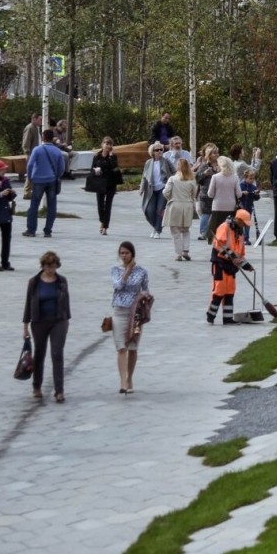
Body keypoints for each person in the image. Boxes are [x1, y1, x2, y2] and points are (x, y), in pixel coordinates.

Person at [21, 250, 71, 403]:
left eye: (54, 267)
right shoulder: (34, 282)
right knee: (40, 353)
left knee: (57, 354)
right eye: (48, 267)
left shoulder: (62, 281)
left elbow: (66, 302)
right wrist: (25, 326)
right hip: (39, 322)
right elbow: (28, 304)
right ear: (42, 266)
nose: (51, 270)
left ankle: (59, 390)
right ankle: (37, 386)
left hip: (58, 321)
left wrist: (67, 320)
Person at [109, 242, 149, 394]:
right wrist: (128, 270)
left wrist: (145, 296)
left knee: (132, 347)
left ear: (132, 254)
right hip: (119, 310)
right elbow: (118, 286)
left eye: (126, 253)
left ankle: (129, 377)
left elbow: (145, 289)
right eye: (121, 253)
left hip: (135, 312)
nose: (124, 256)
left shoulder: (142, 271)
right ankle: (122, 381)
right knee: (121, 347)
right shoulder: (115, 270)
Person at [208, 208, 254, 325]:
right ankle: (211, 315)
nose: (245, 226)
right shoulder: (224, 227)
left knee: (230, 291)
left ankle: (227, 319)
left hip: (231, 266)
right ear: (238, 220)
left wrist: (246, 265)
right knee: (219, 289)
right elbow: (219, 246)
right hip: (220, 263)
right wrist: (232, 258)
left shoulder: (240, 233)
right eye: (244, 223)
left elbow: (240, 253)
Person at [24, 127, 66, 238]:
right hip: (52, 181)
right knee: (52, 206)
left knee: (34, 205)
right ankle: (48, 230)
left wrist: (30, 177)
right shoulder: (57, 151)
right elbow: (62, 167)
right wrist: (56, 175)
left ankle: (31, 230)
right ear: (52, 138)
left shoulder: (37, 150)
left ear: (43, 137)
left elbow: (30, 164)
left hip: (38, 181)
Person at [165, 157, 198, 261]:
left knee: (175, 231)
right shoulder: (192, 180)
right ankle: (185, 250)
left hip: (175, 205)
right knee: (186, 230)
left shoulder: (172, 179)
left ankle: (178, 253)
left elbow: (166, 192)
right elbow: (194, 194)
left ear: (177, 167)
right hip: (187, 206)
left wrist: (170, 198)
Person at [88, 136, 123, 235]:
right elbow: (92, 169)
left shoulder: (113, 156)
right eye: (106, 143)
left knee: (108, 205)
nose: (107, 146)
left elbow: (115, 168)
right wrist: (95, 171)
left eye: (109, 144)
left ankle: (105, 227)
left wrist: (111, 156)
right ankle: (102, 221)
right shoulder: (97, 156)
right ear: (102, 145)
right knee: (100, 206)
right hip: (99, 183)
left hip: (111, 183)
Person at [206, 155, 241, 245]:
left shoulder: (215, 177)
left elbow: (210, 194)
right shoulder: (235, 177)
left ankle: (216, 243)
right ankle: (229, 243)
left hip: (217, 206)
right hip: (230, 206)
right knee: (229, 228)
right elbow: (239, 194)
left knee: (216, 228)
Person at [137, 142, 170, 238]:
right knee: (148, 210)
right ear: (152, 152)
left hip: (163, 188)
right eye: (157, 150)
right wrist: (141, 188)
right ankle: (156, 227)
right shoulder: (148, 163)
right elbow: (144, 176)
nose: (160, 151)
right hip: (151, 189)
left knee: (160, 209)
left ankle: (157, 230)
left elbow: (174, 171)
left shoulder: (166, 161)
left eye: (161, 149)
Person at [193, 142, 219, 241]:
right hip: (206, 194)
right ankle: (203, 232)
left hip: (218, 194)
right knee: (206, 213)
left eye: (217, 153)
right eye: (214, 153)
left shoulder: (220, 165)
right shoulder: (204, 166)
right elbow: (196, 179)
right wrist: (204, 174)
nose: (216, 155)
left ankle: (214, 232)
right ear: (208, 155)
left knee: (216, 213)